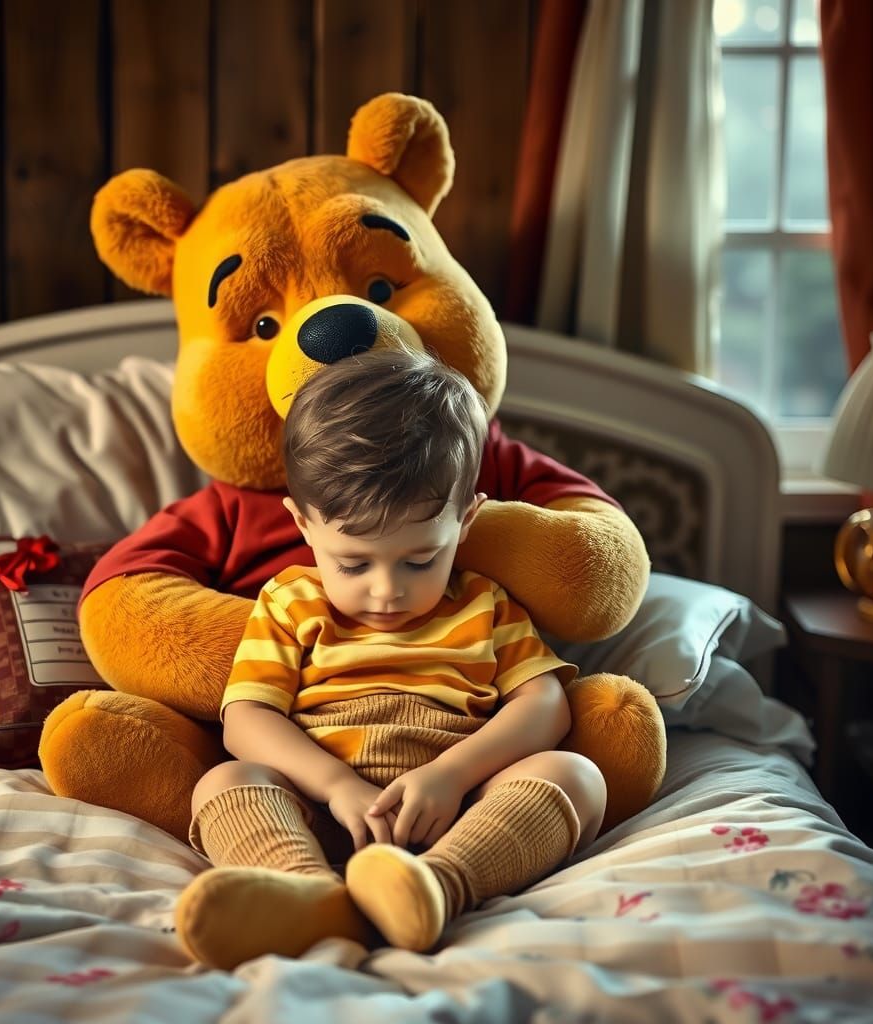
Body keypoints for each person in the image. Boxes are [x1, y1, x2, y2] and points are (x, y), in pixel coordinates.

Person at [174, 347, 607, 970]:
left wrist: (453, 776)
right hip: (320, 812)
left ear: (466, 521)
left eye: (418, 560)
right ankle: (308, 893)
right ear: (302, 524)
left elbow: (543, 704)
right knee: (225, 782)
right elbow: (246, 721)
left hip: (458, 817)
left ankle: (437, 887)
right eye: (353, 563)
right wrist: (336, 787)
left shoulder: (484, 605)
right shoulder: (291, 602)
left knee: (577, 777)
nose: (387, 589)